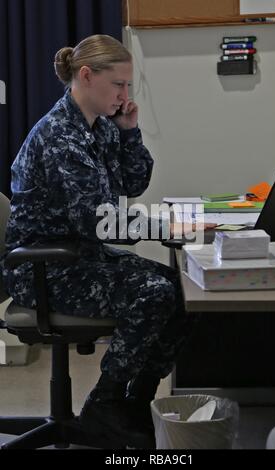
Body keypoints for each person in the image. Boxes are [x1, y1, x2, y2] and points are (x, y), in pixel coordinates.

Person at [2, 34, 215, 448]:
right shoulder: (61, 136)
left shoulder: (97, 127)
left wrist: (130, 132)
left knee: (181, 291)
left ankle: (134, 403)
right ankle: (105, 404)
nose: (124, 94)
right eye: (118, 84)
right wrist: (170, 229)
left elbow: (132, 184)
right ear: (86, 76)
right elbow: (95, 221)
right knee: (153, 294)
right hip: (45, 269)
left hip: (80, 257)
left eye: (128, 86)